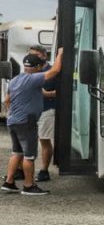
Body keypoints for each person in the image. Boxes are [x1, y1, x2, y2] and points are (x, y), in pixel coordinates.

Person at [2, 48, 63, 195]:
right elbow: (54, 71)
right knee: (29, 155)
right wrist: (60, 55)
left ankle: (9, 182)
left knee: (16, 152)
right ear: (38, 68)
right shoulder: (33, 78)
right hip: (26, 122)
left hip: (13, 121)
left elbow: (7, 100)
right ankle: (29, 186)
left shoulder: (16, 79)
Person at [30, 46, 56, 181]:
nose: (33, 57)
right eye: (31, 55)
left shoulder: (52, 71)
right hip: (30, 111)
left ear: (44, 56)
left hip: (47, 109)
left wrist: (48, 94)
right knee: (26, 141)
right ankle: (22, 170)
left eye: (37, 55)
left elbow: (62, 90)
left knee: (44, 140)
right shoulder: (30, 70)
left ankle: (44, 170)